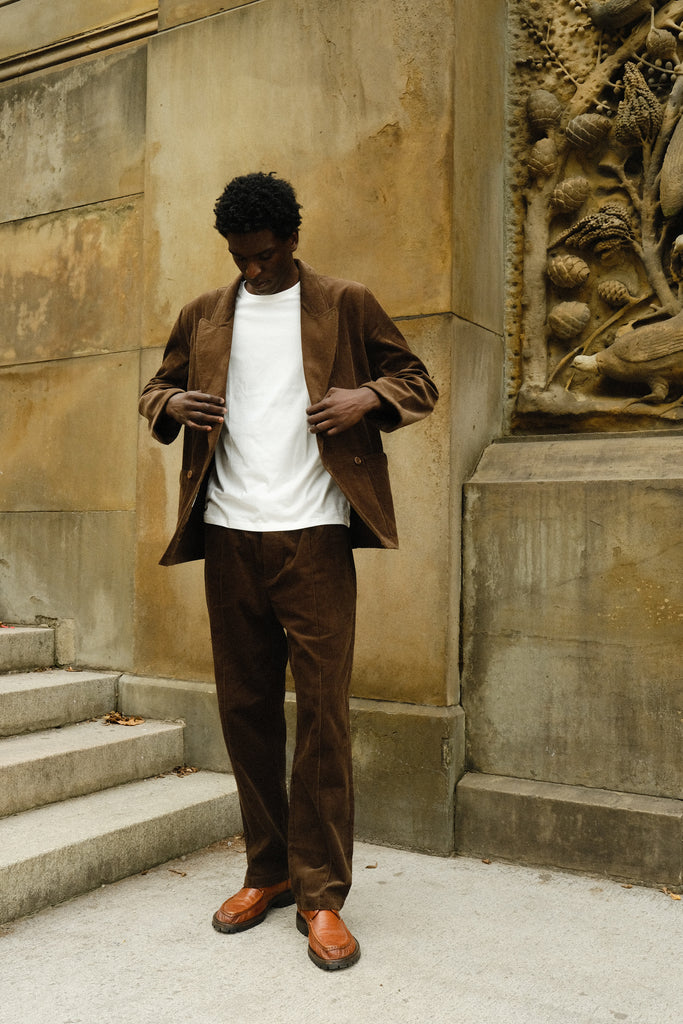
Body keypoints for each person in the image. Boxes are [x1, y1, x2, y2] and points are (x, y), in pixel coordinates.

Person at [139, 171, 438, 971]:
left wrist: (366, 398)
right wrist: (170, 406)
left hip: (314, 537)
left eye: (264, 255)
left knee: (322, 718)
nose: (252, 269)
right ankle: (266, 870)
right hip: (228, 535)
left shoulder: (345, 303)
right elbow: (157, 386)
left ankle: (321, 894)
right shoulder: (204, 313)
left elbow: (418, 382)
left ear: (291, 239)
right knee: (244, 710)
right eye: (239, 256)